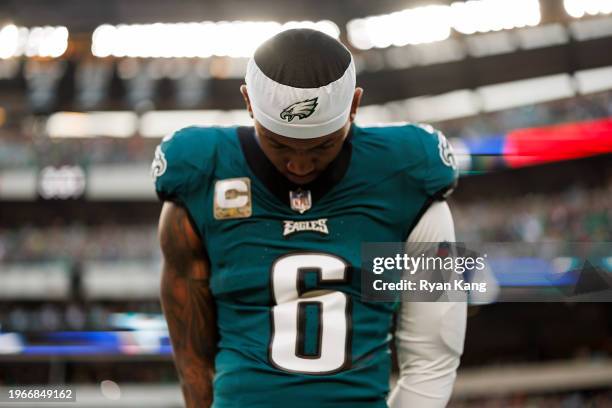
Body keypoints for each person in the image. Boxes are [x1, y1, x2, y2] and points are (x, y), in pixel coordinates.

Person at [154, 28, 466, 408]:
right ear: (248, 101)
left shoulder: (409, 176)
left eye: (322, 145)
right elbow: (191, 358)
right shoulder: (202, 172)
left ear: (354, 105)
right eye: (279, 143)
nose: (299, 164)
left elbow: (435, 356)